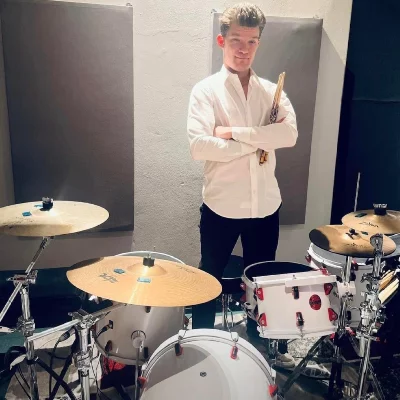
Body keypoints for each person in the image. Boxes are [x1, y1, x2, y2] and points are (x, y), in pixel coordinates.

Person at [186, 3, 297, 368]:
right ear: (222, 41)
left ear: (258, 43)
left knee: (262, 281)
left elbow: (289, 135)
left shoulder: (271, 92)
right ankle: (201, 345)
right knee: (209, 278)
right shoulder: (205, 91)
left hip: (265, 206)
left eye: (252, 41)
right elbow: (200, 146)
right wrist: (260, 139)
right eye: (236, 40)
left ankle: (259, 344)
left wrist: (233, 133)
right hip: (221, 206)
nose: (244, 49)